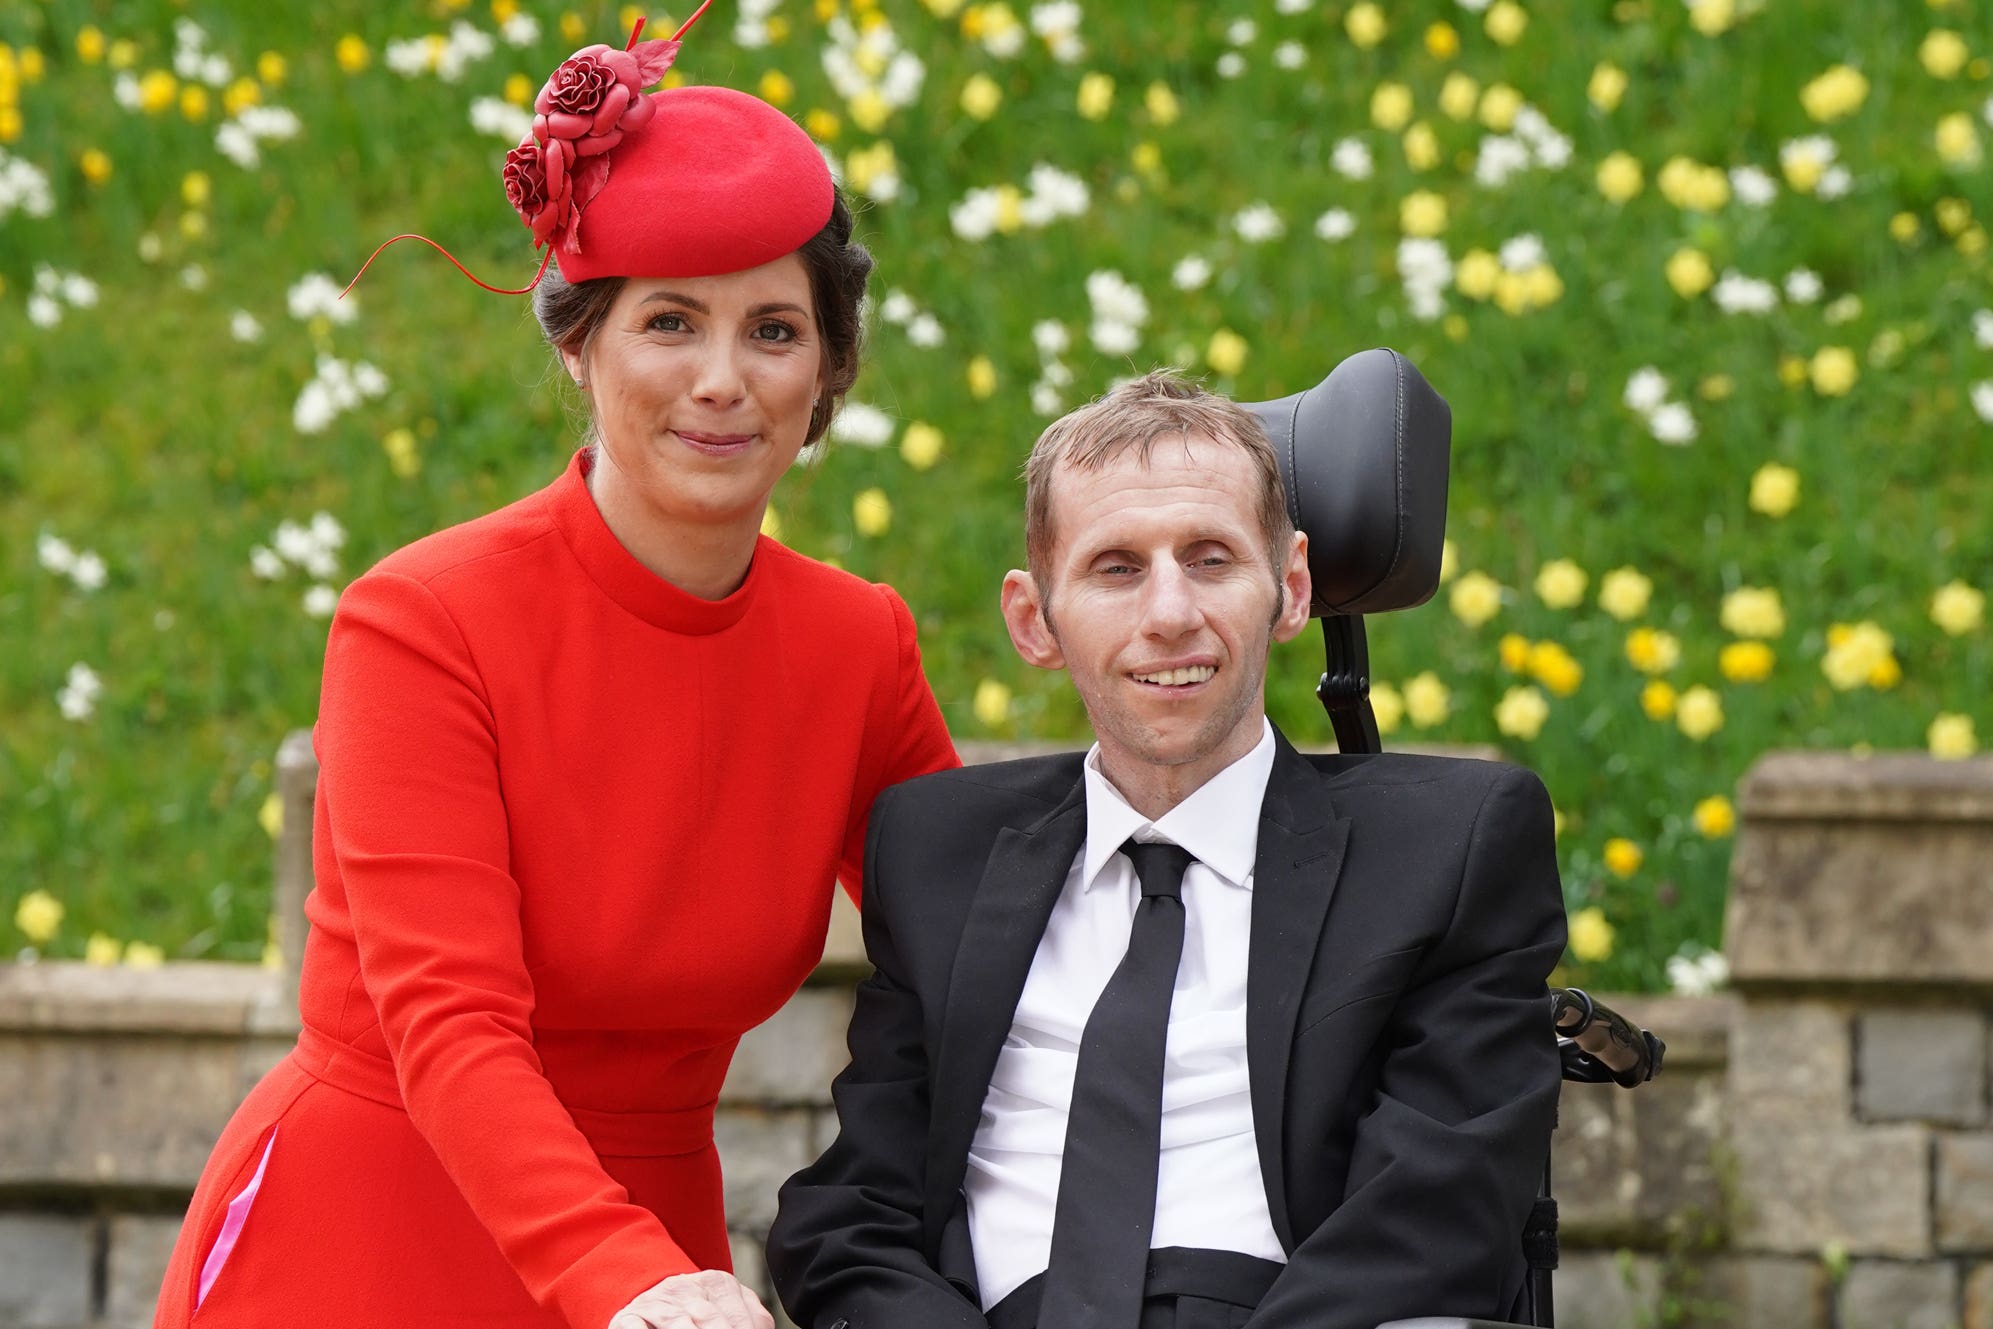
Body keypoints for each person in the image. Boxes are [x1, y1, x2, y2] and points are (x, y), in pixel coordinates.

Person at [154, 15, 956, 1329]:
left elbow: (986, 935)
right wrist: (623, 1278)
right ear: (579, 346)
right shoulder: (418, 622)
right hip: (376, 1237)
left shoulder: (855, 644)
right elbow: (451, 1028)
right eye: (668, 322)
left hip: (663, 1253)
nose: (721, 380)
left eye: (772, 329)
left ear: (827, 373)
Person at [767, 370, 1567, 1329]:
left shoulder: (1451, 845)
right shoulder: (940, 849)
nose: (1169, 613)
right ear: (1034, 620)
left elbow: (1439, 1213)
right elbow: (852, 1211)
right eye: (1115, 567)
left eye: (1211, 558)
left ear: (1290, 587)